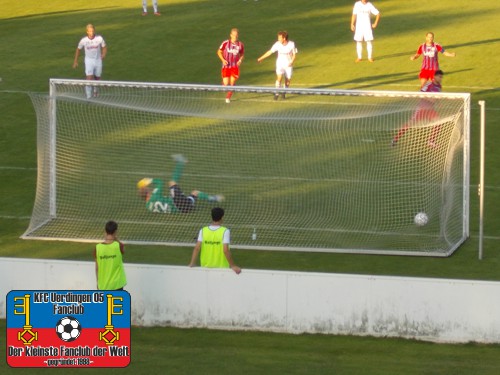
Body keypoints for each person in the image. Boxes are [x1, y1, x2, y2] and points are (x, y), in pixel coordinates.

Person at [137, 154, 224, 214]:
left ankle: (213, 198)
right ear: (147, 193)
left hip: (185, 208)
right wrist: (148, 180)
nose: (151, 190)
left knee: (195, 193)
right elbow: (160, 182)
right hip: (178, 203)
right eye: (149, 189)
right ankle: (181, 162)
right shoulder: (154, 196)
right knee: (172, 183)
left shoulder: (148, 206)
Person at [392, 70, 445, 147]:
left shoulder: (439, 86)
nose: (440, 79)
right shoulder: (428, 84)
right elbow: (421, 94)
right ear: (434, 76)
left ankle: (431, 141)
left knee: (438, 122)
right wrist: (430, 99)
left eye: (441, 77)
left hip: (430, 109)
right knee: (410, 124)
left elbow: (437, 96)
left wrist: (439, 103)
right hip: (422, 109)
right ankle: (395, 139)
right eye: (439, 77)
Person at [189, 207, 241, 274]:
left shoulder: (203, 230)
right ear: (222, 217)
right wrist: (232, 265)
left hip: (205, 267)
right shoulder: (225, 231)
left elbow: (197, 248)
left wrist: (192, 263)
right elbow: (225, 250)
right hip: (221, 268)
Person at [257, 31, 297, 100]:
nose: (278, 39)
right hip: (280, 63)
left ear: (284, 38)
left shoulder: (291, 44)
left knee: (288, 80)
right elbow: (270, 52)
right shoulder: (277, 44)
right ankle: (276, 93)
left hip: (288, 64)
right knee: (279, 78)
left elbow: (294, 55)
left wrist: (292, 62)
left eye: (279, 38)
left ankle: (284, 92)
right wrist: (261, 58)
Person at [73, 24, 107, 99]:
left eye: (92, 31)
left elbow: (104, 47)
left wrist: (103, 54)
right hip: (89, 61)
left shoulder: (99, 38)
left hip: (98, 60)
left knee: (97, 77)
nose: (91, 33)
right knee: (89, 77)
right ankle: (88, 95)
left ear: (94, 31)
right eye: (90, 31)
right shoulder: (84, 40)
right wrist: (75, 61)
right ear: (87, 32)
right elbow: (78, 49)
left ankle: (95, 90)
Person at [95, 221, 127, 290]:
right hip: (117, 285)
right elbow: (123, 250)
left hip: (103, 286)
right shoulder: (119, 246)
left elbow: (97, 268)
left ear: (105, 231)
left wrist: (98, 283)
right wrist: (115, 238)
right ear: (115, 232)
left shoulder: (97, 248)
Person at [217, 28, 244, 103]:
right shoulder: (225, 43)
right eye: (234, 35)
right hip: (226, 66)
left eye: (236, 35)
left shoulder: (240, 45)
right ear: (231, 35)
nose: (235, 37)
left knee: (232, 83)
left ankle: (228, 97)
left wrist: (240, 60)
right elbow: (219, 52)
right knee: (226, 84)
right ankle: (224, 85)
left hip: (234, 67)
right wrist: (223, 60)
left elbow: (242, 54)